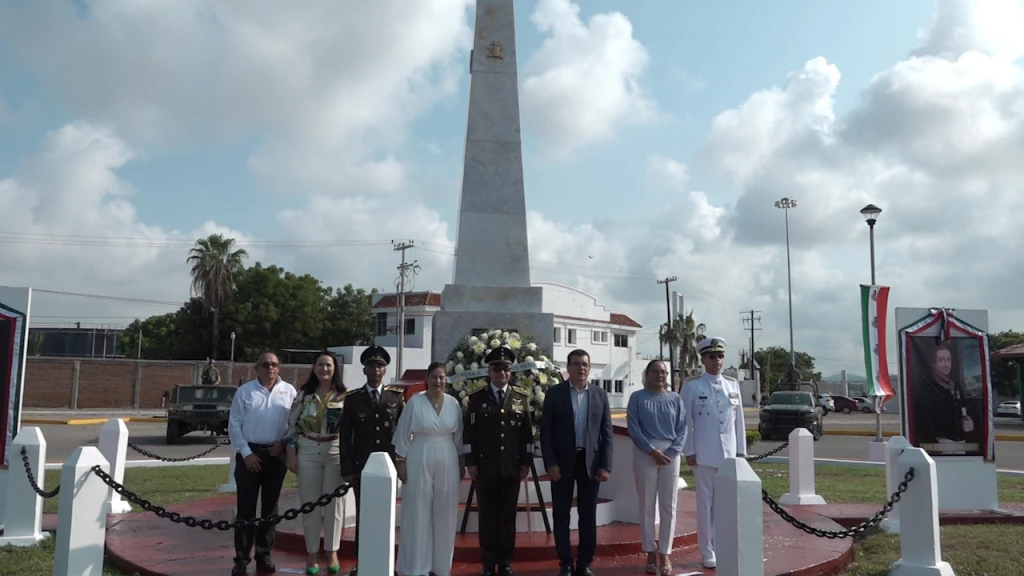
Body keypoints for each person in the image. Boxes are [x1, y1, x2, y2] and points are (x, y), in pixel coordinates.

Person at [540, 349, 613, 576]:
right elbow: (546, 432)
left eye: (585, 364)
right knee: (561, 514)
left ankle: (585, 563)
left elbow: (607, 433)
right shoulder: (554, 394)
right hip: (562, 463)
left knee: (587, 515)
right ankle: (566, 564)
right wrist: (550, 463)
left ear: (589, 368)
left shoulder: (600, 395)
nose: (581, 368)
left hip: (590, 464)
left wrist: (606, 465)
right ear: (568, 368)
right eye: (576, 364)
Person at [464, 346, 532, 576]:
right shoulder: (476, 399)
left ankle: (504, 562)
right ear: (489, 372)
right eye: (496, 369)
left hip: (511, 467)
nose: (501, 373)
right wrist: (470, 462)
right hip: (486, 467)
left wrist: (526, 462)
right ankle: (487, 562)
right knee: (487, 517)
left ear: (510, 372)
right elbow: (468, 435)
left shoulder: (520, 399)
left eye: (505, 369)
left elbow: (527, 436)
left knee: (507, 517)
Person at [227, 351, 297, 576]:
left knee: (270, 508)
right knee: (246, 508)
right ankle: (241, 558)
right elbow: (234, 425)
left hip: (276, 454)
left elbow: (295, 425)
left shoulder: (289, 392)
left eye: (274, 364)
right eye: (265, 364)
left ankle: (264, 555)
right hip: (250, 454)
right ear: (257, 367)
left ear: (280, 367)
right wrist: (247, 454)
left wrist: (284, 445)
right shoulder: (244, 392)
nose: (270, 368)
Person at [339, 345, 405, 576]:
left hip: (389, 469)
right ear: (365, 370)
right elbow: (345, 436)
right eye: (371, 366)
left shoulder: (396, 397)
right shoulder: (353, 399)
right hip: (362, 468)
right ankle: (362, 562)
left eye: (380, 366)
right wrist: (346, 467)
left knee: (387, 518)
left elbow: (402, 434)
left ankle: (387, 563)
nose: (376, 370)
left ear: (385, 370)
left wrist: (401, 465)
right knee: (364, 516)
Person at [393, 362, 465, 576]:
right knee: (417, 510)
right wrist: (401, 462)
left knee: (446, 511)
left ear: (447, 379)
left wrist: (461, 463)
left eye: (442, 377)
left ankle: (441, 567)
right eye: (434, 377)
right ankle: (416, 566)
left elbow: (459, 436)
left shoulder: (454, 404)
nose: (438, 381)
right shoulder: (415, 402)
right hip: (419, 453)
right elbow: (403, 433)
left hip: (447, 455)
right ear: (427, 379)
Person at [681, 337, 746, 570]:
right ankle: (707, 550)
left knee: (726, 504)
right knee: (705, 504)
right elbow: (686, 421)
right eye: (711, 356)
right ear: (702, 359)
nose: (716, 360)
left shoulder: (732, 384)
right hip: (704, 454)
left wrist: (741, 451)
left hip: (728, 455)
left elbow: (738, 422)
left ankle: (723, 546)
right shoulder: (692, 385)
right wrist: (689, 450)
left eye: (720, 356)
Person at [285, 350, 347, 575]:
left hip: (335, 451)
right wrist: (291, 454)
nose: (324, 369)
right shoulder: (305, 394)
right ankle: (311, 553)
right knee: (309, 505)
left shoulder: (343, 395)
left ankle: (332, 551)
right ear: (314, 368)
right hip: (309, 450)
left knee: (334, 506)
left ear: (335, 369)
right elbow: (292, 426)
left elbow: (349, 429)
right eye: (320, 365)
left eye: (328, 365)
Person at [626, 359, 687, 575]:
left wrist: (671, 452)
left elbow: (682, 428)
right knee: (647, 505)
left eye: (663, 372)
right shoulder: (637, 398)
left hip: (670, 454)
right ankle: (650, 551)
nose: (659, 375)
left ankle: (665, 552)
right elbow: (633, 428)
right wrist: (652, 451)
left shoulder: (675, 399)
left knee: (669, 505)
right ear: (647, 373)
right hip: (646, 453)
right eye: (655, 371)